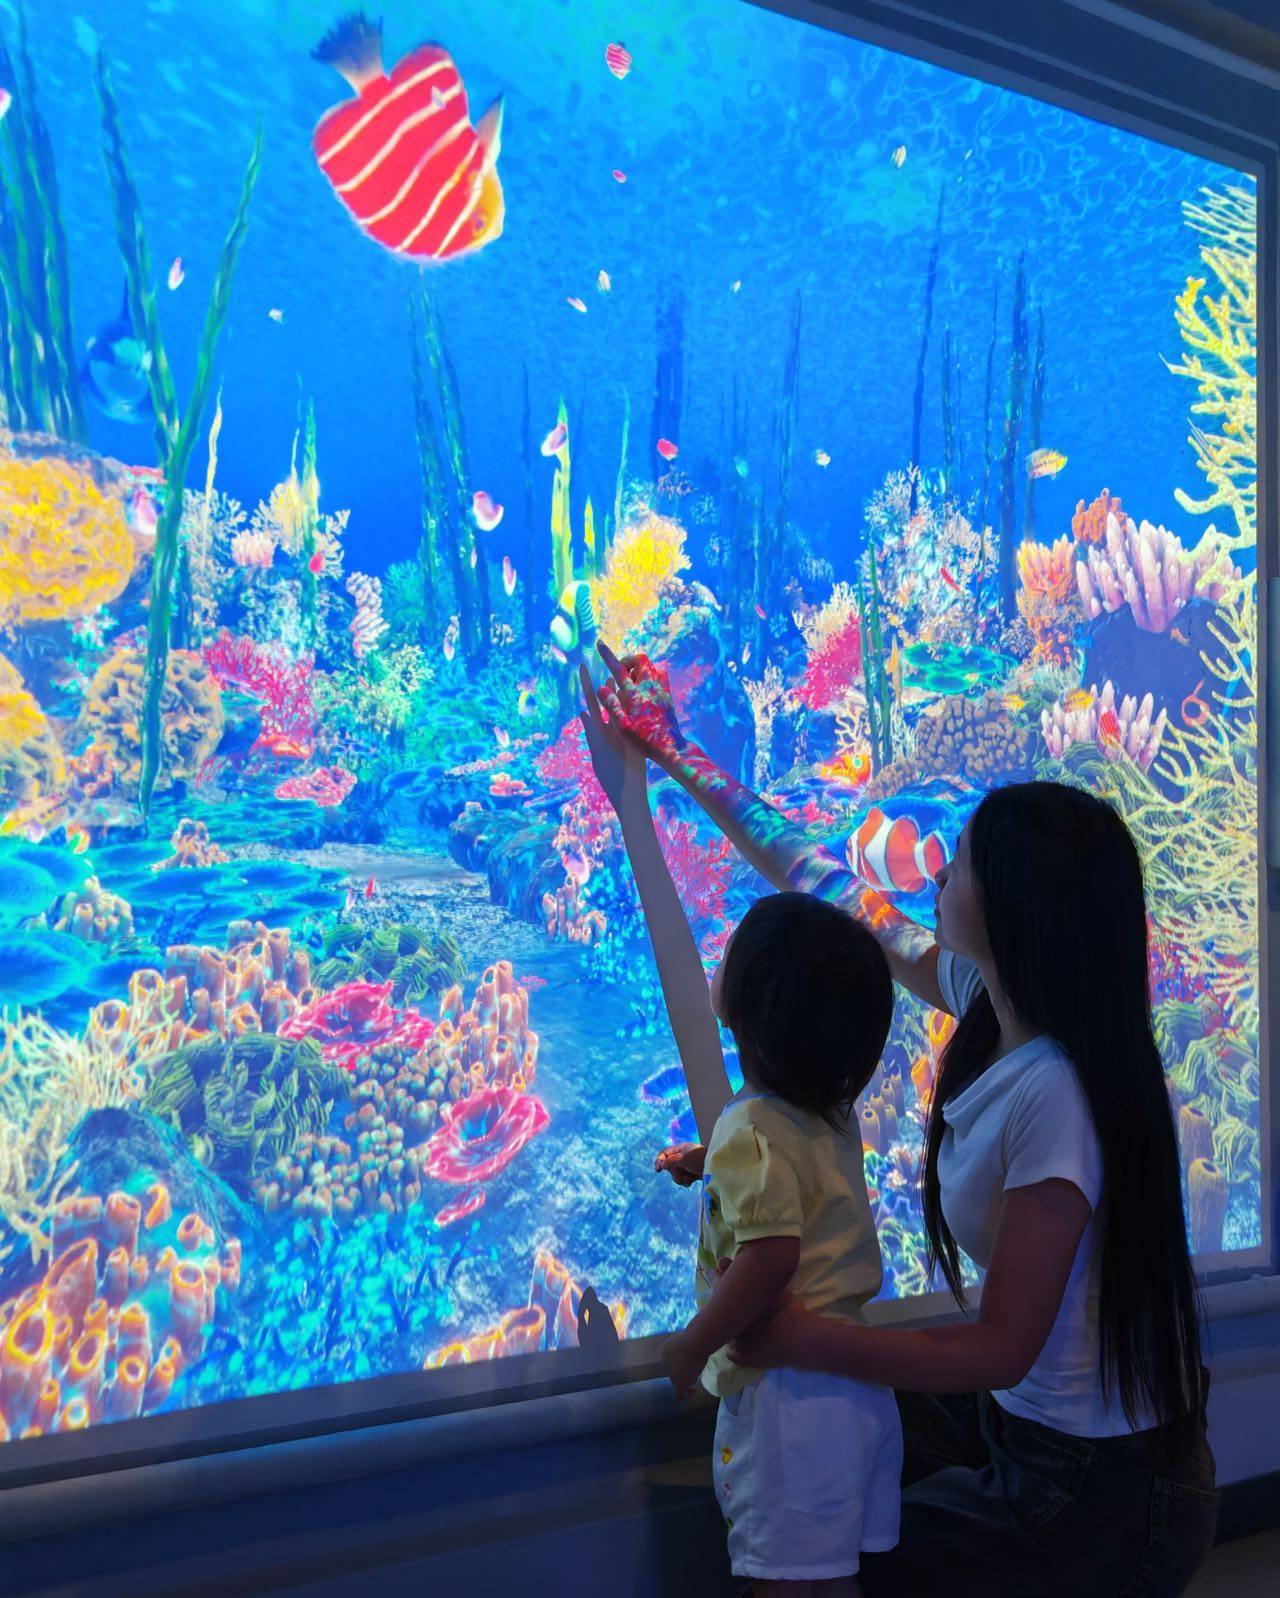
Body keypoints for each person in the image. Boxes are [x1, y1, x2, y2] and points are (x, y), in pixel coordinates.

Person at [590, 642, 1219, 1597]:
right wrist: (675, 754)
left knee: (824, 1557)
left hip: (1100, 1489)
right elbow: (822, 880)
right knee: (814, 1460)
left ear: (1013, 913)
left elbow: (1001, 1346)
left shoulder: (1057, 1091)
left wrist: (798, 1337)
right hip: (1019, 1427)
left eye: (963, 860)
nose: (942, 866)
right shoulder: (994, 1000)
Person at [578, 663, 904, 1597]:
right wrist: (706, 1164)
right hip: (858, 1399)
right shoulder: (825, 1112)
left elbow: (768, 1260)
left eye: (733, 956)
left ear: (749, 1015)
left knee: (787, 1583)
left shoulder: (753, 1126)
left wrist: (691, 1343)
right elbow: (788, 1189)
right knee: (842, 1578)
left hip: (790, 1405)